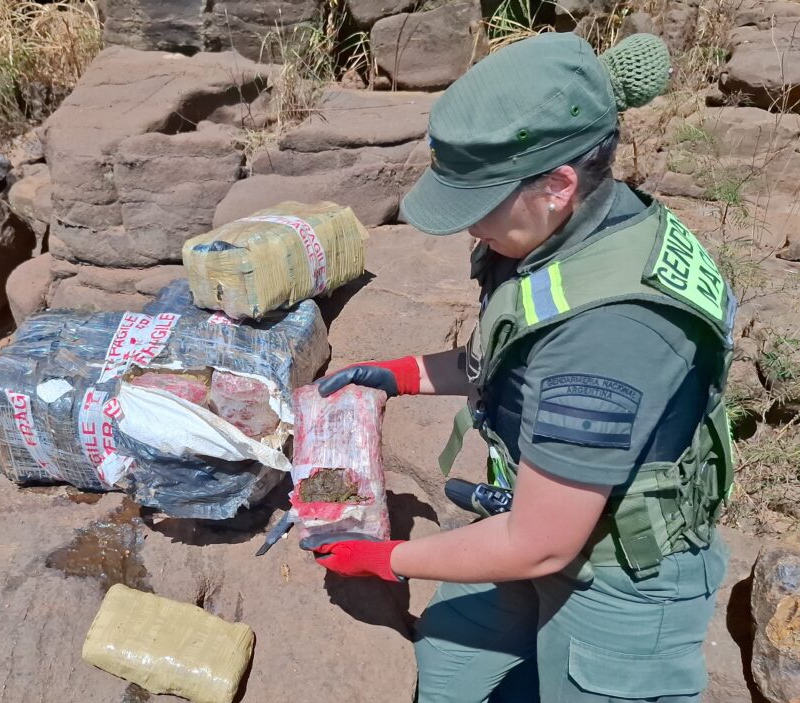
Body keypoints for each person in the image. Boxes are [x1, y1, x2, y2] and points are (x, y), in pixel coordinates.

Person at [311, 32, 737, 703]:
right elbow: (514, 355)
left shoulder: (612, 331)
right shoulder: (562, 233)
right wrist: (396, 373)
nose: (465, 227)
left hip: (617, 571)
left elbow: (540, 543)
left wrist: (384, 556)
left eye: (476, 205)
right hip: (535, 510)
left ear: (558, 184)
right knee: (448, 675)